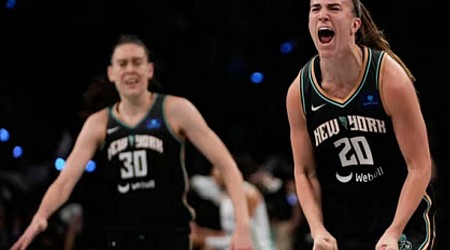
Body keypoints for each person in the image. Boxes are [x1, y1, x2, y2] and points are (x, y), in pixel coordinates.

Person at [9, 34, 253, 250]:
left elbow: (228, 166)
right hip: (121, 237)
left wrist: (242, 228)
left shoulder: (175, 110)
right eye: (122, 64)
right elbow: (64, 183)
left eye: (137, 62)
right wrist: (41, 216)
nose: (130, 70)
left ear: (149, 70)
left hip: (170, 236)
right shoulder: (99, 123)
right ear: (111, 73)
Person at [285, 0, 436, 249]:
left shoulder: (388, 77)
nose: (322, 15)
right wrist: (317, 229)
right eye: (315, 9)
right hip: (343, 220)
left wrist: (394, 231)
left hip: (399, 213)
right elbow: (304, 172)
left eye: (333, 8)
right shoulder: (299, 92)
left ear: (355, 24)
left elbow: (419, 165)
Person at [189, 164, 275, 250]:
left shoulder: (248, 193)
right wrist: (201, 232)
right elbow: (229, 233)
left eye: (218, 169)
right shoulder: (223, 195)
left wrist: (204, 240)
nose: (214, 173)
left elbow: (245, 237)